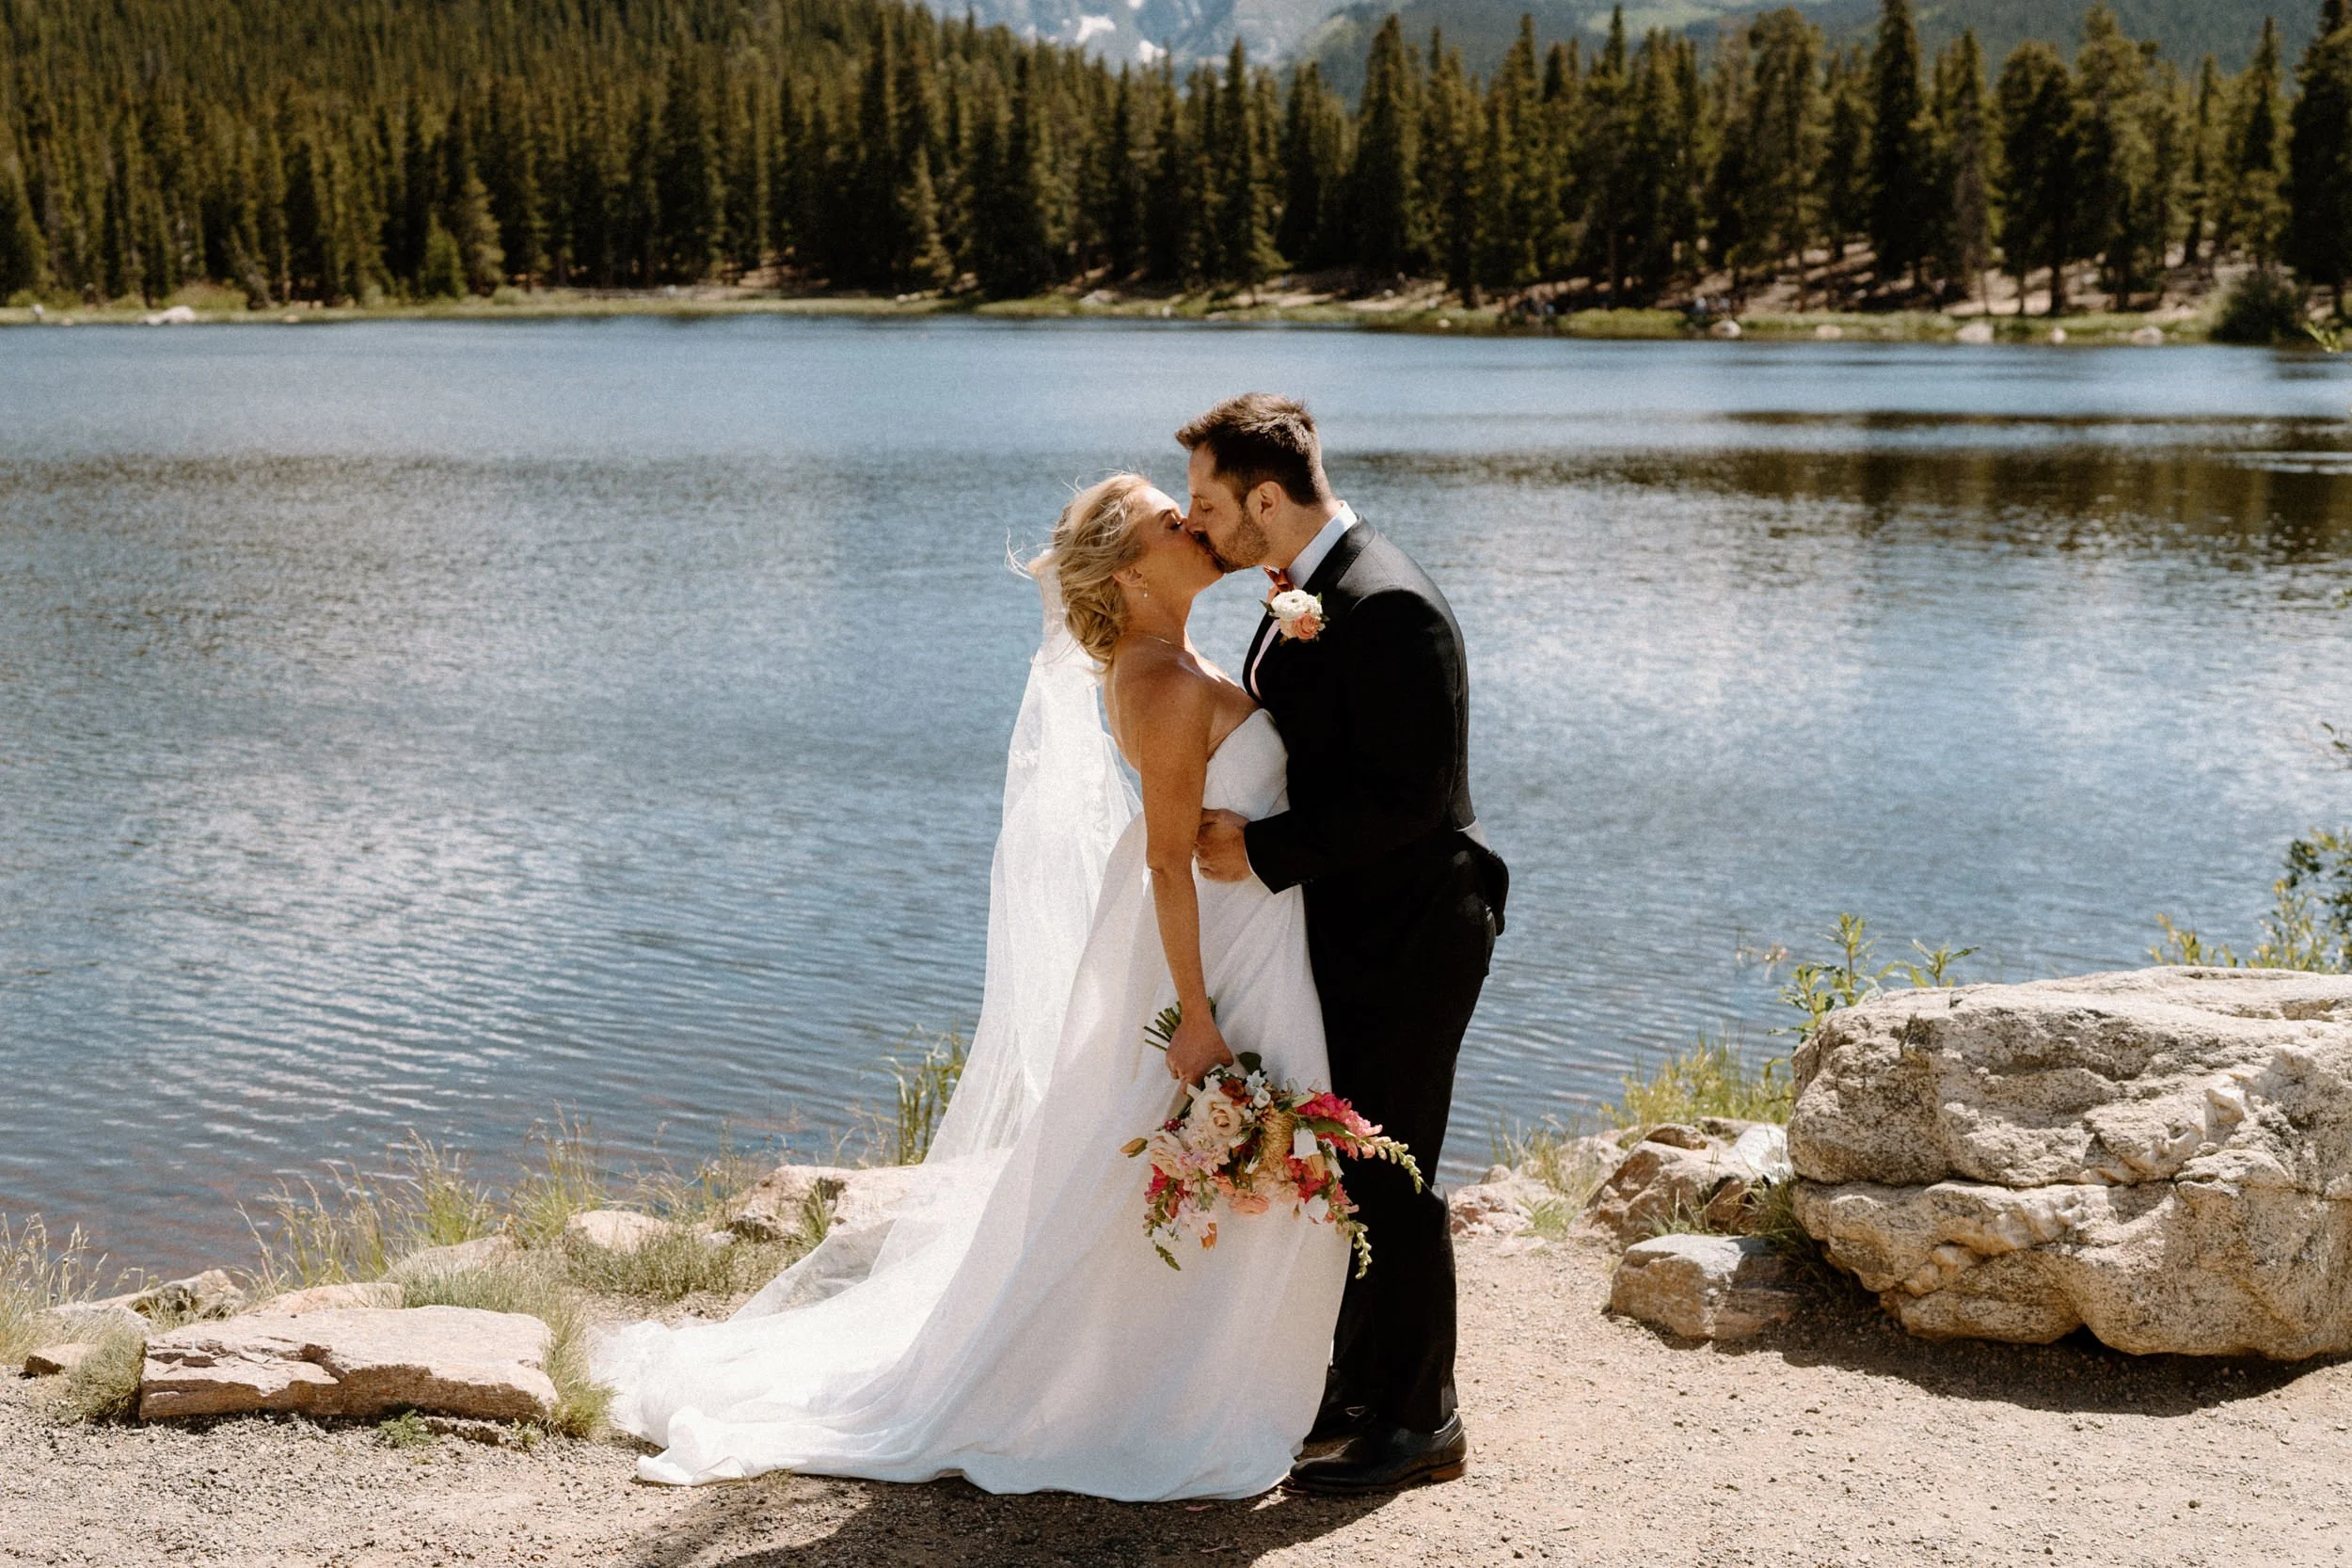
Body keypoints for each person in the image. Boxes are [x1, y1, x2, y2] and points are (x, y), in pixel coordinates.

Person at [592, 474, 1351, 1499]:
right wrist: (1199, 1017)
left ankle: (1206, 1373)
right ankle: (1171, 1389)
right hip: (1212, 953)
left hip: (1245, 931)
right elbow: (1166, 863)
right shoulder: (1163, 680)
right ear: (1130, 571)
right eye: (1170, 519)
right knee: (1172, 1158)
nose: (1194, 521)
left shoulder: (1177, 657)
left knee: (1152, 1170)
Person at [1185, 392, 1507, 1497]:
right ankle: (1363, 1386)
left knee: (1394, 1165)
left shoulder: (1389, 602)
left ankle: (1424, 1418)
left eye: (1210, 502)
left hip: (1417, 924)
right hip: (1352, 920)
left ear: (1266, 498)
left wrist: (1263, 851)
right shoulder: (1302, 592)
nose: (1199, 524)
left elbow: (1419, 799)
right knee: (1354, 1159)